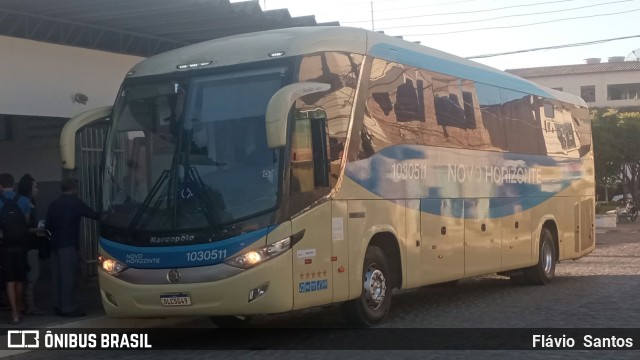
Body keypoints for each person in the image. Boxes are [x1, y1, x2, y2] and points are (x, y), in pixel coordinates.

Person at [46, 178, 100, 317]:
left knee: (57, 277)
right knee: (68, 277)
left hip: (55, 243)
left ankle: (57, 305)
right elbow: (93, 215)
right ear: (74, 188)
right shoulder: (76, 203)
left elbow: (47, 225)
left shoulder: (54, 203)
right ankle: (68, 308)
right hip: (68, 244)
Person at [0, 173, 31, 324]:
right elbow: (27, 222)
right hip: (21, 246)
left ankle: (14, 314)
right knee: (20, 280)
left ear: (0, 185)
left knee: (9, 281)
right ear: (13, 183)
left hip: (5, 246)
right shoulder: (24, 200)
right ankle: (19, 307)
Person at [17, 173, 46, 315]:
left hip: (20, 244)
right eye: (35, 186)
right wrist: (39, 229)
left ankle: (22, 303)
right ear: (29, 188)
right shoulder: (27, 203)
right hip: (30, 244)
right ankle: (29, 304)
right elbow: (27, 226)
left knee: (23, 276)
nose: (37, 189)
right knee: (32, 275)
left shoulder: (19, 201)